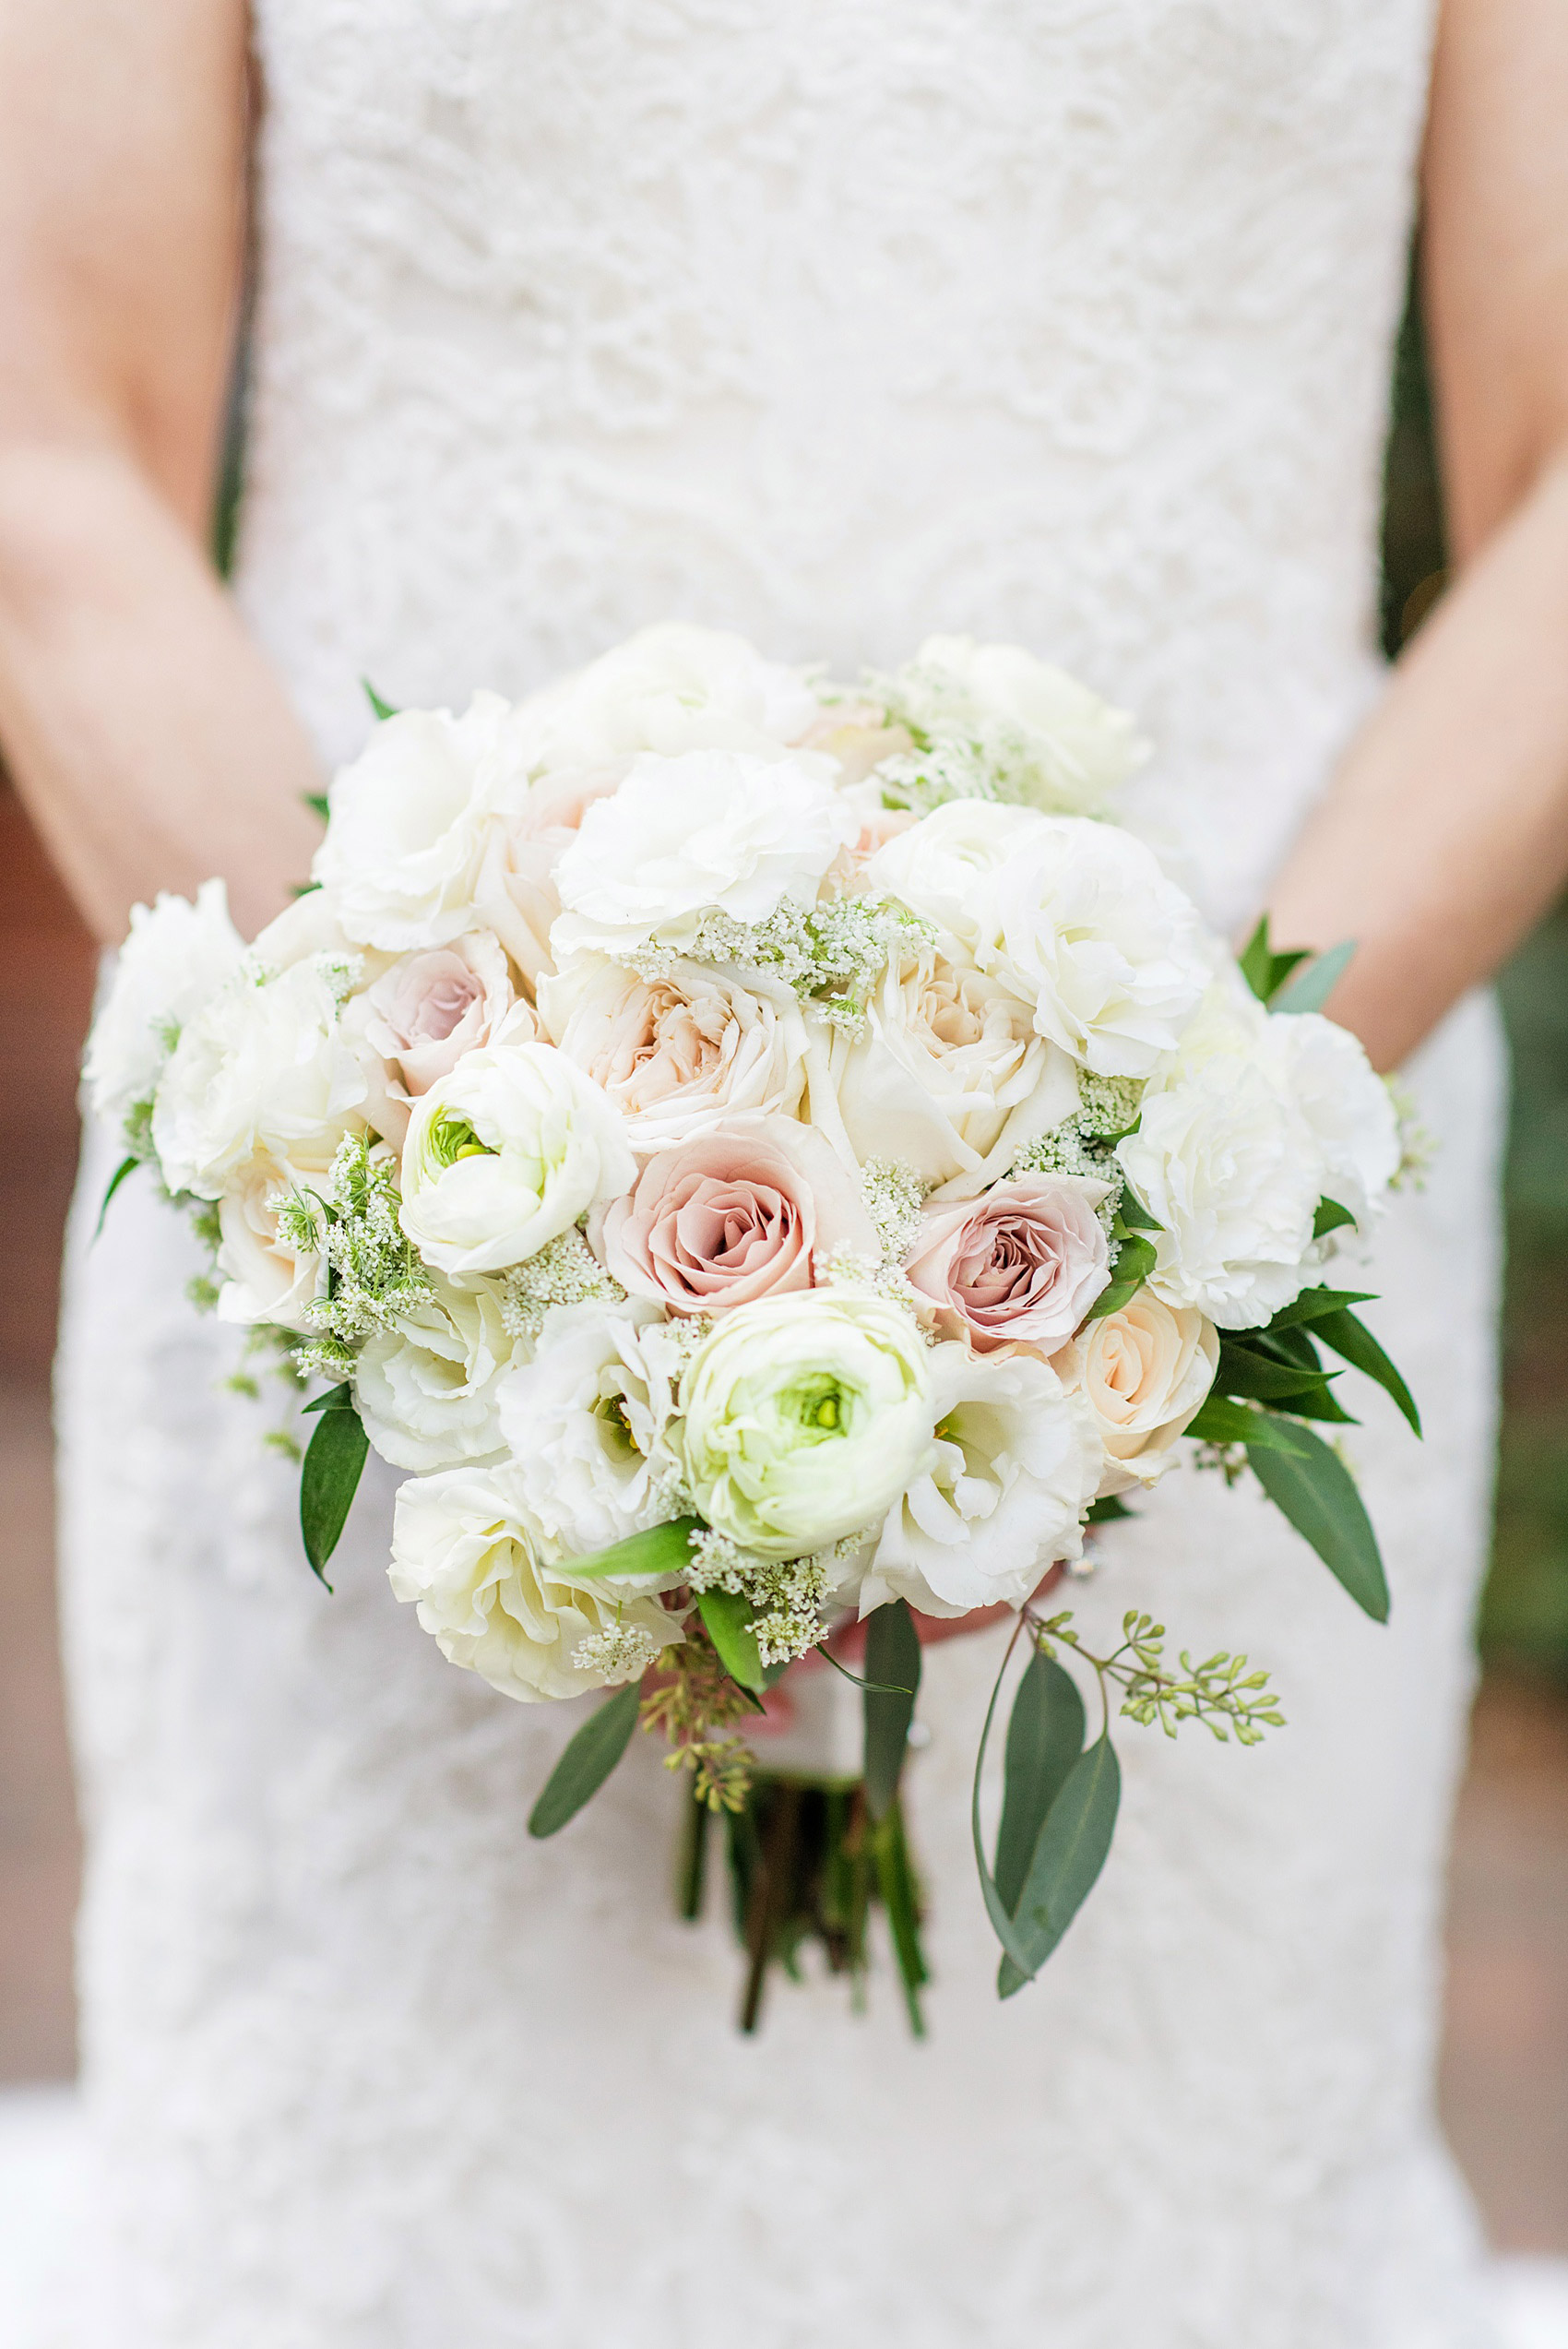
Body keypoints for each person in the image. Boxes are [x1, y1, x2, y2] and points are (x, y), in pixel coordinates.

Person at [2, 3, 1567, 2343]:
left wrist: (1135, 1211)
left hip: (1226, 1225)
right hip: (392, 1252)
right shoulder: (408, 1211)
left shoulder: (1173, 1231)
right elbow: (49, 446)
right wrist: (448, 1200)